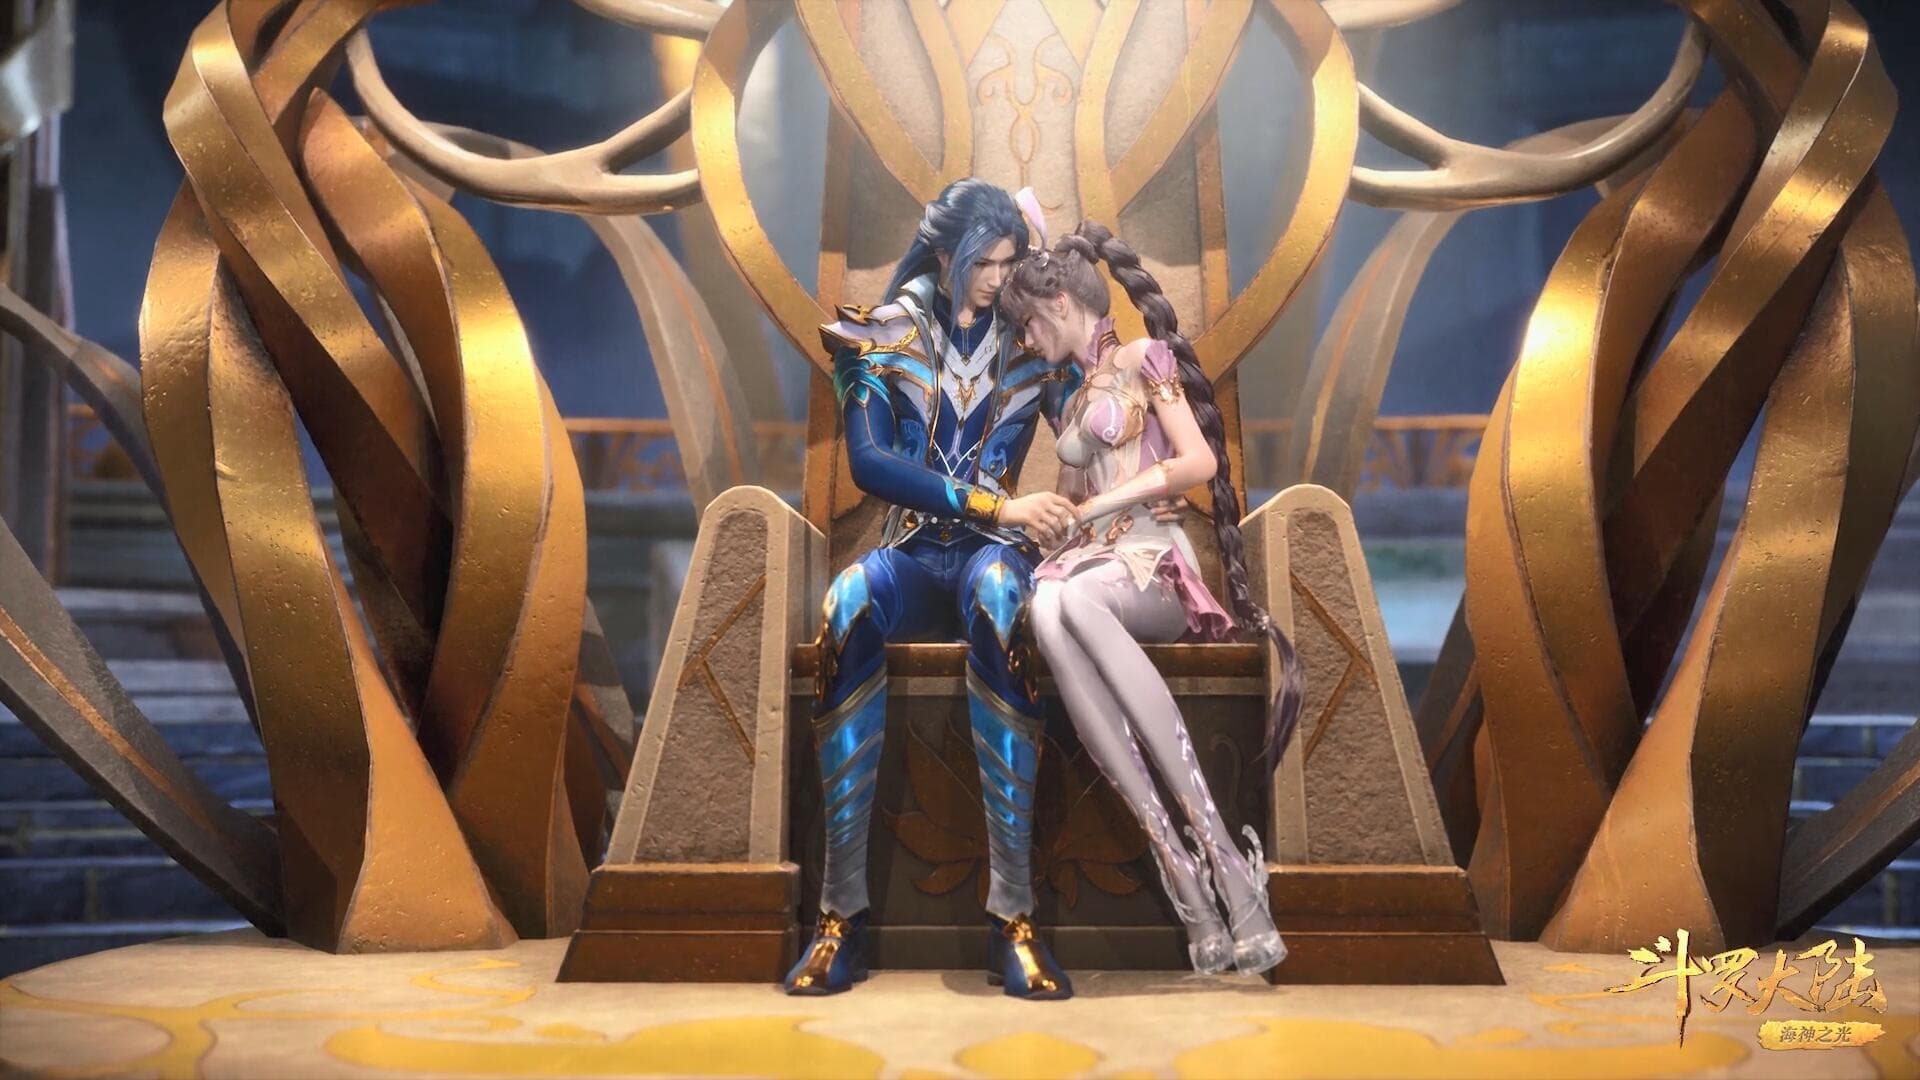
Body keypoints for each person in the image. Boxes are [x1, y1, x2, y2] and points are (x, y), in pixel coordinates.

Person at [790, 179, 1081, 998]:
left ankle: (1013, 920)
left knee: (1002, 603)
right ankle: (839, 918)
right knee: (848, 602)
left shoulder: (1030, 339)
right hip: (913, 554)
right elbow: (870, 464)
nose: (997, 278)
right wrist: (999, 504)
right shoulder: (879, 334)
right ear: (946, 254)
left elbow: (1094, 429)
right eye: (984, 262)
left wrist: (1135, 466)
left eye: (1009, 261)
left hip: (993, 559)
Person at [996, 218, 1306, 975]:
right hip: (1090, 568)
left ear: (1062, 303)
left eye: (1028, 323)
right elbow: (1072, 505)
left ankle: (1222, 854)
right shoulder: (1074, 403)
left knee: (1072, 602)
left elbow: (1196, 461)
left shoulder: (1144, 359)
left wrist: (1107, 505)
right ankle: (1181, 868)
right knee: (1048, 605)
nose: (1027, 340)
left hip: (1153, 565)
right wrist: (1038, 519)